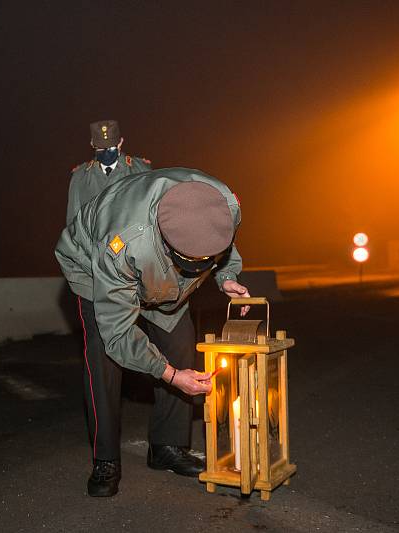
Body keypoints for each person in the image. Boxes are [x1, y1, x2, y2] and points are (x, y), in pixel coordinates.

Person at [55, 168, 250, 497]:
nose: (205, 262)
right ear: (170, 247)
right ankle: (106, 460)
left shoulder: (223, 203)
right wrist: (171, 375)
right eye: (194, 260)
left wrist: (225, 276)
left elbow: (226, 249)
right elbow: (118, 333)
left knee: (180, 343)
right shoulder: (122, 243)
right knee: (104, 356)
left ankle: (167, 447)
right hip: (93, 266)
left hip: (163, 276)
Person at [65, 120, 152, 225]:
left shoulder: (140, 171)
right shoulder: (80, 177)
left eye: (111, 147)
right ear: (92, 144)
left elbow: (149, 214)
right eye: (101, 148)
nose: (106, 152)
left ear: (120, 142)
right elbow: (73, 222)